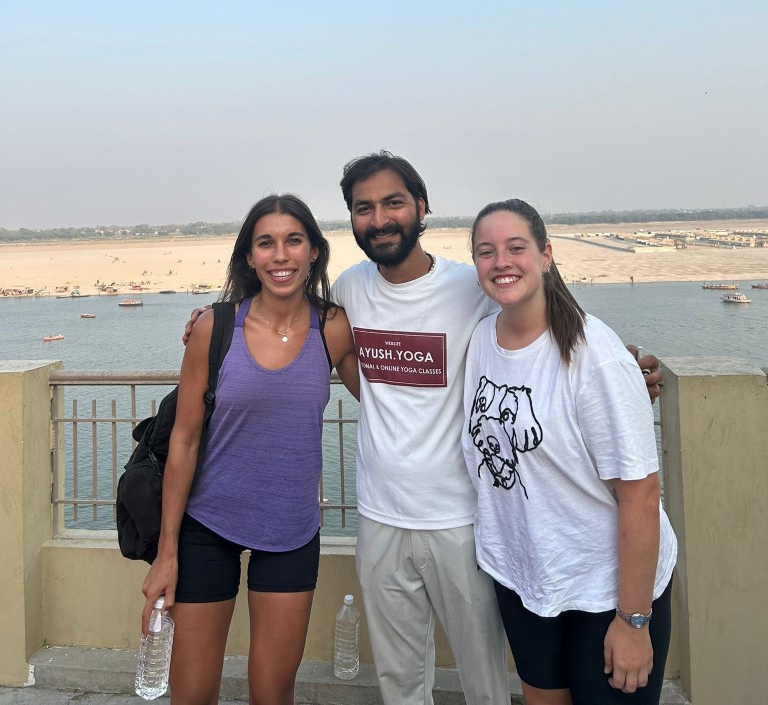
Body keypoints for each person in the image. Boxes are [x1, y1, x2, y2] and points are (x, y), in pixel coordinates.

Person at [183, 154, 663, 705]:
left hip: (464, 519)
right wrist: (216, 316)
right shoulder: (350, 290)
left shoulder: (470, 286)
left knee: (484, 679)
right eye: (364, 208)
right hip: (379, 517)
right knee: (401, 682)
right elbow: (286, 317)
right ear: (352, 222)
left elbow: (540, 321)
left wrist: (623, 370)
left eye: (393, 202)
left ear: (422, 207)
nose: (380, 218)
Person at [144, 194, 359, 705]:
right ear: (249, 256)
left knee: (272, 692)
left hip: (290, 528)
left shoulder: (334, 327)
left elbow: (390, 398)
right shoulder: (213, 329)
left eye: (293, 241)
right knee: (192, 694)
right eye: (266, 243)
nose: (280, 255)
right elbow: (185, 438)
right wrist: (166, 552)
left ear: (314, 252)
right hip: (207, 525)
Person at [462, 199, 677, 705]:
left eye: (516, 248)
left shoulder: (595, 356)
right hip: (524, 578)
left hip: (604, 589)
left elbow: (642, 495)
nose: (501, 262)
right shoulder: (479, 341)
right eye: (486, 252)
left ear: (546, 256)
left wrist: (633, 620)